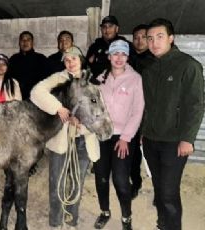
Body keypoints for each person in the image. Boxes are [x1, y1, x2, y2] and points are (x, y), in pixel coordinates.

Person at [142, 18, 205, 230]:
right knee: (159, 187)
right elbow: (147, 105)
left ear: (171, 38)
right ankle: (163, 224)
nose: (154, 42)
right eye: (150, 38)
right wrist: (144, 132)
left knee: (169, 192)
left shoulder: (188, 65)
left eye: (159, 37)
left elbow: (195, 105)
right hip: (151, 140)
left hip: (174, 141)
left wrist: (188, 138)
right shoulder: (149, 69)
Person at [30, 46, 96, 230]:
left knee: (77, 181)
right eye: (66, 60)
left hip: (82, 138)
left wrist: (82, 124)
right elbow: (36, 92)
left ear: (80, 60)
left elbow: (99, 109)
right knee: (56, 181)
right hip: (60, 137)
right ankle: (55, 221)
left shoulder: (92, 81)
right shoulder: (58, 78)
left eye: (73, 58)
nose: (70, 63)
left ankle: (72, 219)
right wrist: (58, 108)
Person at [92, 40, 144, 230]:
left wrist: (125, 138)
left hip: (124, 137)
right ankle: (105, 212)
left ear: (128, 57)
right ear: (109, 57)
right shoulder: (100, 79)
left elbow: (138, 111)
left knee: (121, 179)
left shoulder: (135, 79)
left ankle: (126, 217)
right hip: (102, 135)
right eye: (115, 54)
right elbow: (93, 107)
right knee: (101, 176)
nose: (119, 58)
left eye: (123, 54)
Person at [129, 24, 155, 199]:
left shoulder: (155, 61)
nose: (139, 41)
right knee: (133, 152)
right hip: (128, 113)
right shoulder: (127, 59)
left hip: (149, 114)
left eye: (143, 37)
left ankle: (160, 190)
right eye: (136, 37)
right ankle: (135, 182)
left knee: (152, 152)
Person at [8, 31, 51, 100]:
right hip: (17, 98)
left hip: (37, 98)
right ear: (19, 43)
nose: (25, 42)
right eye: (23, 40)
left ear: (32, 43)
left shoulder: (41, 59)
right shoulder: (13, 59)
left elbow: (47, 80)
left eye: (28, 39)